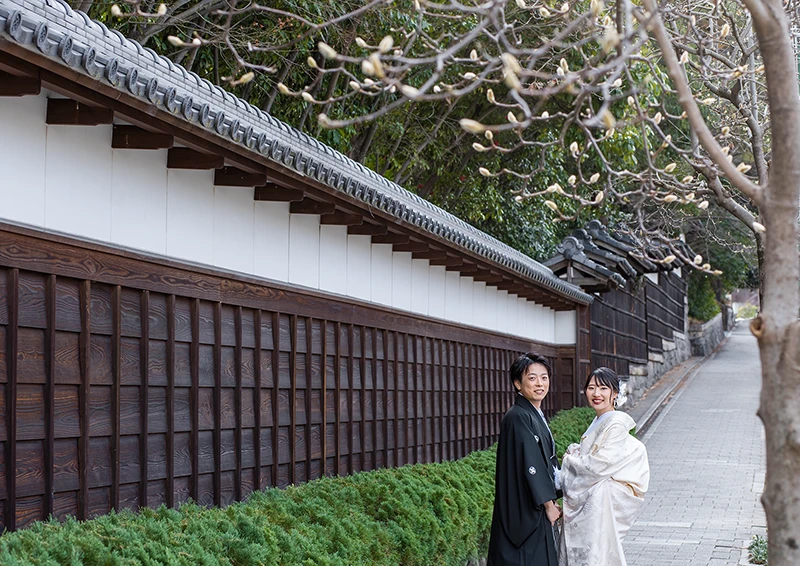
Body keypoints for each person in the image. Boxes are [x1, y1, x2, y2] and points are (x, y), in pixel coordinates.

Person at [558, 367, 650, 566]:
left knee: (597, 557)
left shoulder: (615, 424)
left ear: (615, 393)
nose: (596, 394)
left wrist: (569, 460)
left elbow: (598, 466)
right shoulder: (600, 420)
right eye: (591, 388)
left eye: (603, 388)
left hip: (602, 500)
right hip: (596, 500)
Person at [487, 353, 562, 566]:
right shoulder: (518, 416)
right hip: (526, 508)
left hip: (533, 503)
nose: (540, 383)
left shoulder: (532, 413)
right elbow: (532, 464)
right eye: (532, 378)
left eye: (544, 377)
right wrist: (548, 504)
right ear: (517, 384)